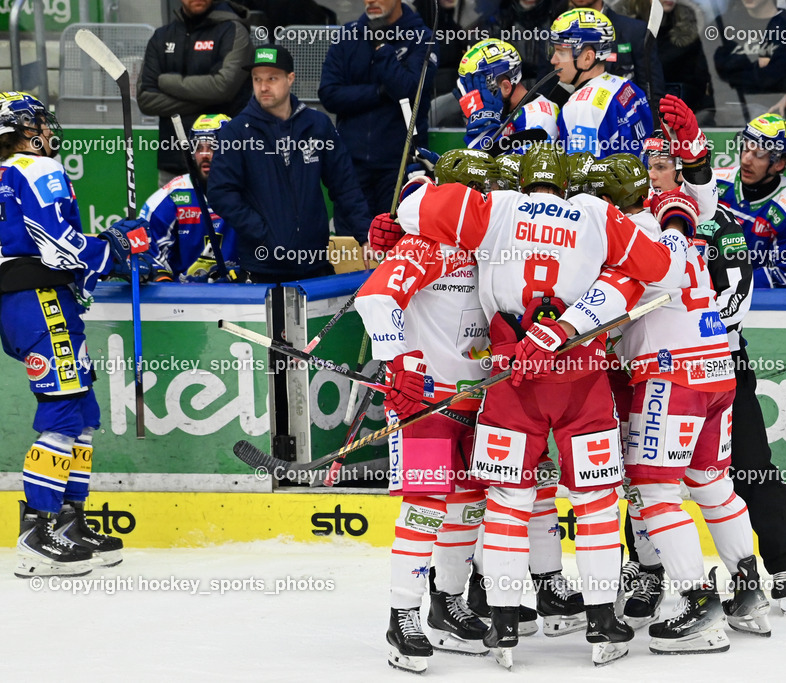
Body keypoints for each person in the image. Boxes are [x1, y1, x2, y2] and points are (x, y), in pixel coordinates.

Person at [397, 142, 679, 667]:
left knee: (507, 499)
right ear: (568, 185)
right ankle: (600, 620)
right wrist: (571, 324)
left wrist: (404, 221)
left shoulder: (496, 207)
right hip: (580, 377)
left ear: (518, 180)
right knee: (595, 500)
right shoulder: (597, 213)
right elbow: (660, 268)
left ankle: (504, 620)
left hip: (510, 375)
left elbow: (411, 209)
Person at [0, 92, 165, 578]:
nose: (50, 130)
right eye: (44, 123)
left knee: (81, 410)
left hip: (25, 303)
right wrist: (116, 243)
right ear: (30, 129)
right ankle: (38, 528)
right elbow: (59, 247)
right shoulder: (38, 169)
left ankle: (70, 520)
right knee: (62, 412)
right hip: (40, 299)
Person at [355, 149, 502, 673]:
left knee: (468, 505)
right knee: (423, 507)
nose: (480, 202)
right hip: (428, 399)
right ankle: (403, 615)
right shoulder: (425, 243)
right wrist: (401, 363)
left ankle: (448, 602)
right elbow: (376, 300)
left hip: (480, 397)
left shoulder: (493, 244)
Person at [644, 129, 786, 613]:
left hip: (719, 365)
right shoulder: (636, 224)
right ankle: (647, 575)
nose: (653, 175)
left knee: (750, 466)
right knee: (646, 479)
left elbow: (735, 305)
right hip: (656, 371)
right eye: (648, 164)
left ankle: (782, 566)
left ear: (687, 173)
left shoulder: (722, 227)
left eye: (663, 165)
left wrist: (689, 326)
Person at [207, 46, 372, 283]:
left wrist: (364, 235)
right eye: (257, 79)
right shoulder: (236, 132)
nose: (263, 87)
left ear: (290, 78)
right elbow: (220, 192)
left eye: (272, 78)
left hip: (316, 265)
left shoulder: (318, 125)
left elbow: (344, 185)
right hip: (261, 268)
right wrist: (264, 233)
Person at [318, 0, 437, 217]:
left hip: (400, 165)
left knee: (395, 243)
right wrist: (379, 92)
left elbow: (408, 90)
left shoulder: (421, 36)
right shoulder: (348, 35)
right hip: (351, 164)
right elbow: (329, 94)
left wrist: (382, 49)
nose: (370, 1)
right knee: (352, 244)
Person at [138, 0, 254, 186]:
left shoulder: (234, 31)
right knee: (171, 216)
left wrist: (166, 81)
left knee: (225, 216)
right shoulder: (162, 36)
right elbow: (146, 99)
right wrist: (208, 99)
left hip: (225, 162)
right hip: (173, 163)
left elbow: (223, 88)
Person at [715, 113, 786, 288]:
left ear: (779, 163)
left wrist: (725, 286)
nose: (746, 160)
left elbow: (782, 277)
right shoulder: (713, 184)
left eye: (759, 154)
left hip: (762, 305)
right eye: (746, 148)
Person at [139, 114, 240, 282]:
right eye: (199, 148)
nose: (205, 155)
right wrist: (166, 284)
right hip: (184, 297)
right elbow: (148, 254)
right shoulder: (173, 196)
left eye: (214, 146)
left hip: (241, 294)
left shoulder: (252, 192)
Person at [549, 8, 655, 159]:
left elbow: (583, 177)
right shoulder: (627, 85)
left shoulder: (580, 108)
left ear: (587, 58)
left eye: (561, 52)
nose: (554, 60)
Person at [454, 38, 560, 152]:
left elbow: (520, 168)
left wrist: (484, 135)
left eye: (482, 91)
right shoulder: (505, 110)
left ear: (506, 87)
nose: (477, 101)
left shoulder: (539, 117)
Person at [557, 0, 666, 103]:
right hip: (572, 114)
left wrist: (653, 118)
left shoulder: (634, 31)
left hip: (624, 116)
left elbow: (652, 90)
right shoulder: (555, 30)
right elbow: (548, 83)